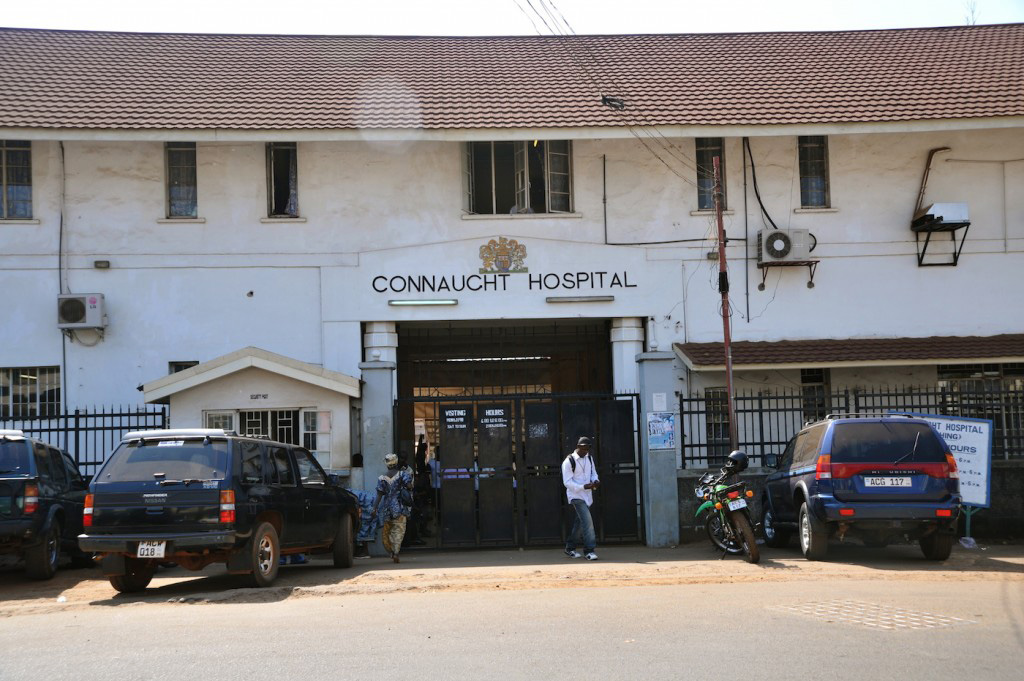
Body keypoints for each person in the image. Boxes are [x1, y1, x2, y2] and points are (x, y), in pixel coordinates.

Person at [561, 436, 600, 561]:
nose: (585, 452)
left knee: (579, 523)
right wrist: (583, 486)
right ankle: (589, 550)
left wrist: (595, 480)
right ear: (578, 447)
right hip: (576, 496)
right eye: (583, 449)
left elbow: (593, 472)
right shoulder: (569, 461)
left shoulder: (589, 458)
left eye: (587, 449)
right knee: (588, 522)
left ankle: (570, 547)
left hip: (587, 495)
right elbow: (567, 482)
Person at [371, 452, 414, 563]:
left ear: (386, 464)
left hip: (387, 509)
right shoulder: (402, 475)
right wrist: (407, 486)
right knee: (398, 531)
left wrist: (374, 508)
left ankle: (391, 551)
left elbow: (379, 495)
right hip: (400, 508)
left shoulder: (382, 478)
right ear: (396, 462)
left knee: (387, 532)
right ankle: (396, 552)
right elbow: (409, 486)